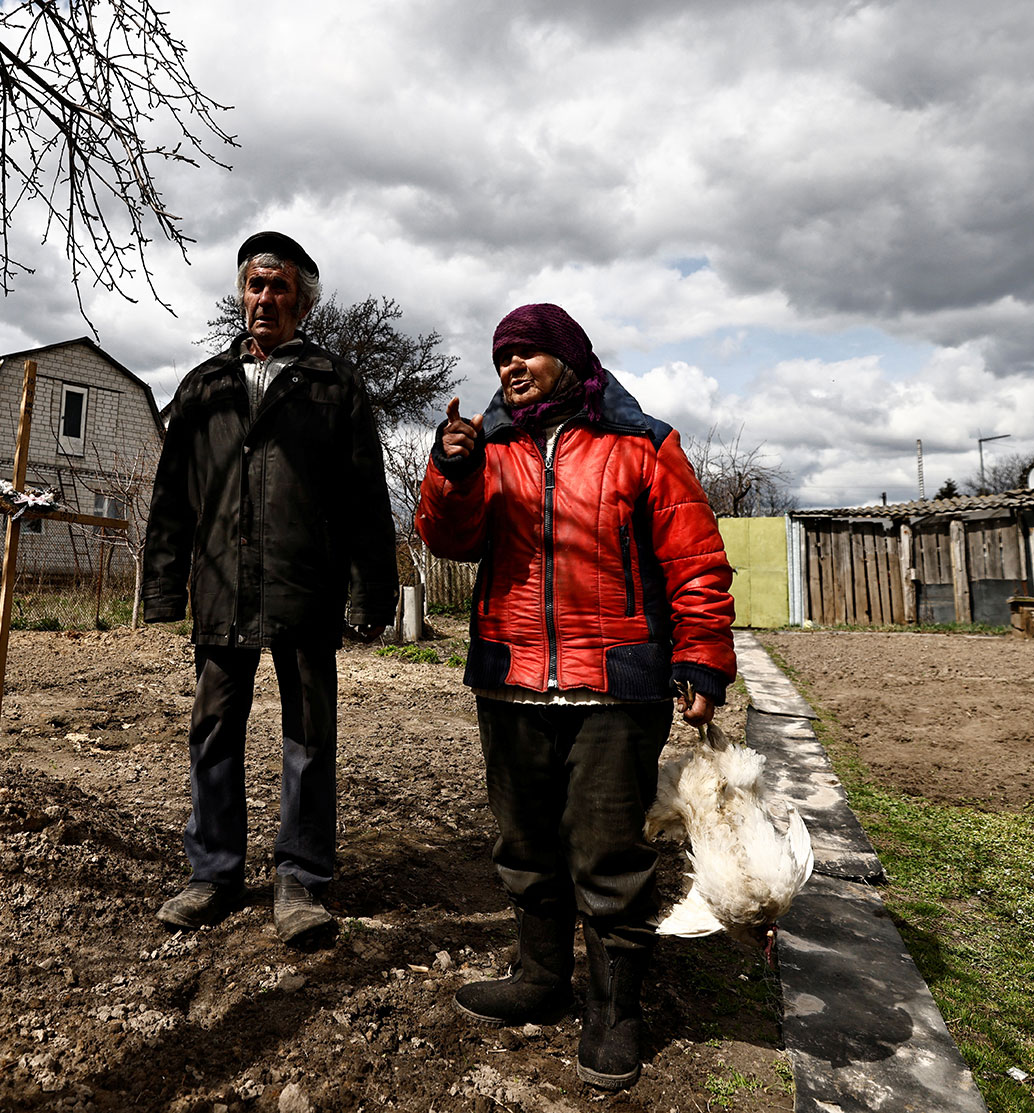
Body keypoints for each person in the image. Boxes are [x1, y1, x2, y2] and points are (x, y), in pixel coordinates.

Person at [415, 303, 736, 1090]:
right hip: (510, 679)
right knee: (523, 842)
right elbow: (446, 538)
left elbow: (694, 556)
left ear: (569, 357)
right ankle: (539, 976)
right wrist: (450, 472)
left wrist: (701, 657)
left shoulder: (643, 444)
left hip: (614, 686)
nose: (510, 368)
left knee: (609, 854)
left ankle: (616, 1010)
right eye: (501, 357)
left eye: (527, 352)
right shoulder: (488, 448)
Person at [141, 230, 398, 944]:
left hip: (305, 592)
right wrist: (162, 587)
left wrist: (369, 594)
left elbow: (365, 505)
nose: (265, 299)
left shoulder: (334, 387)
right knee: (214, 730)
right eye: (255, 285)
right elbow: (172, 500)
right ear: (240, 293)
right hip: (223, 589)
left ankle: (302, 880)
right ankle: (213, 874)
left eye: (280, 287)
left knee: (309, 736)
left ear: (303, 304)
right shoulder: (203, 387)